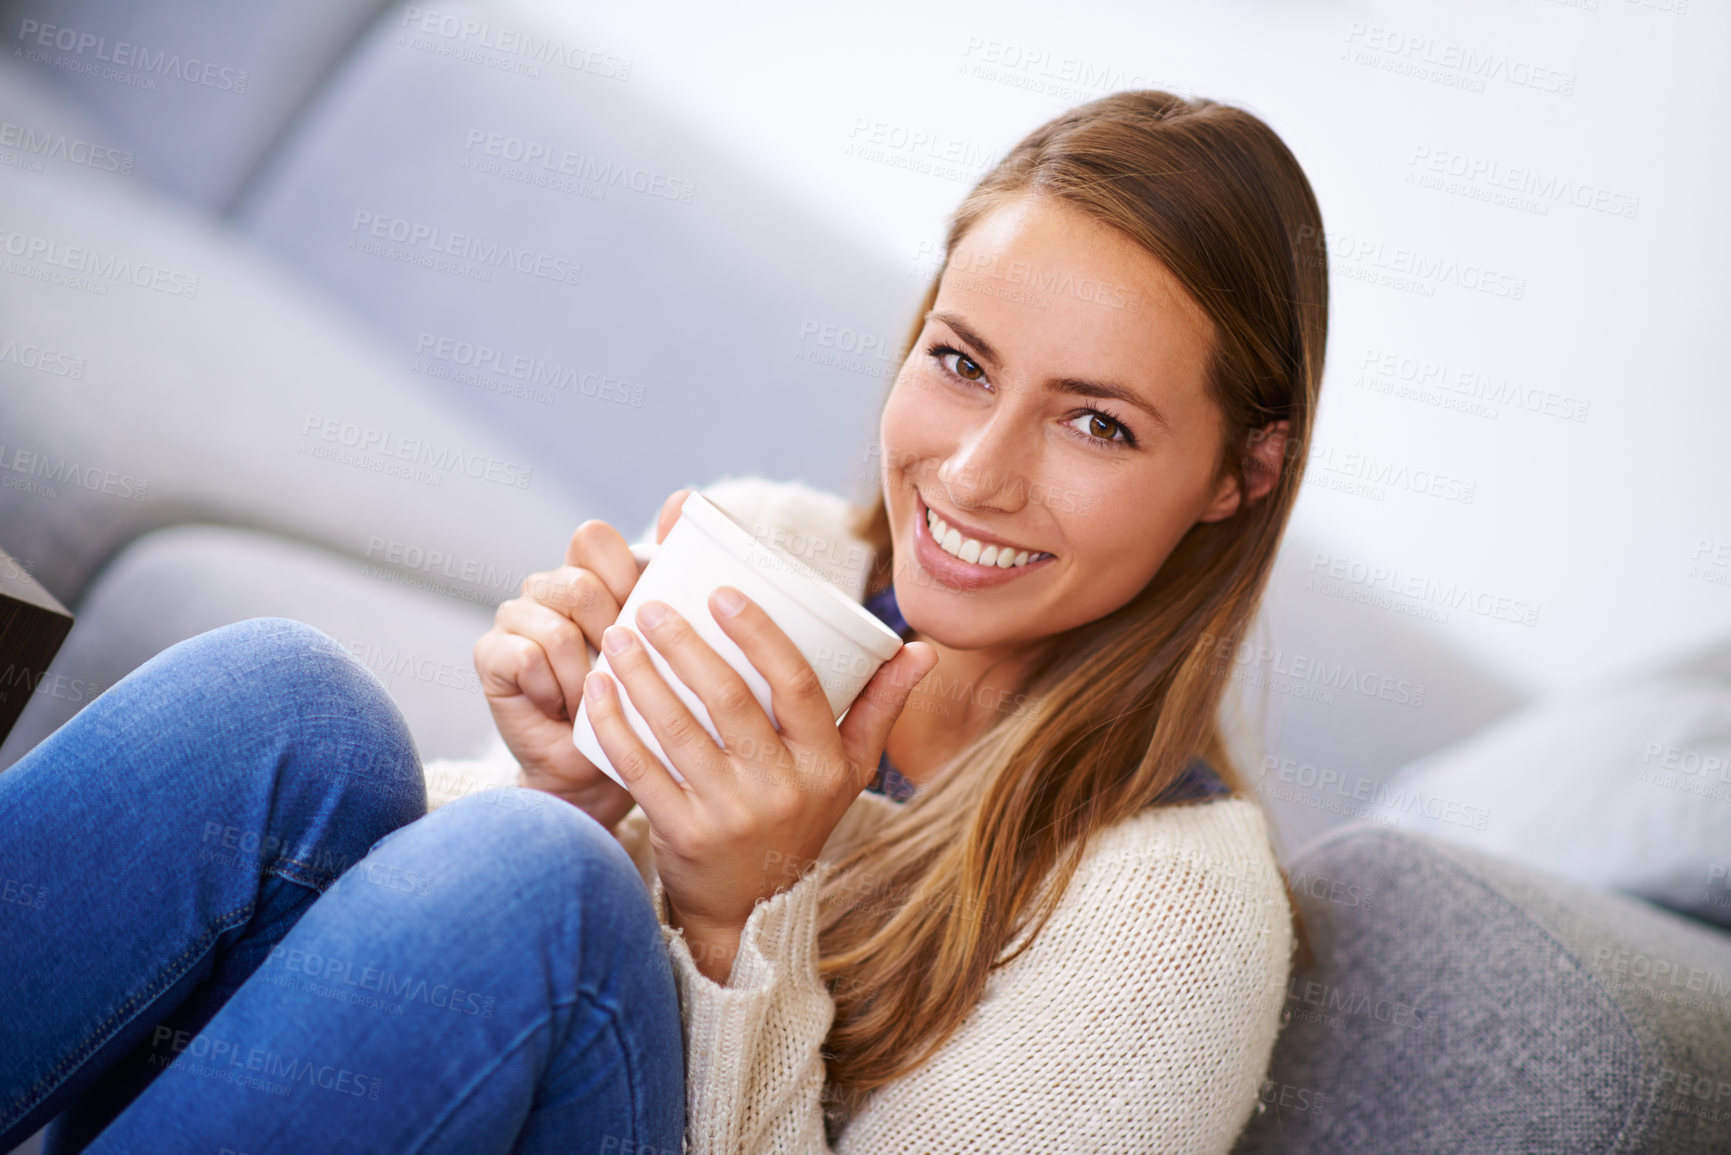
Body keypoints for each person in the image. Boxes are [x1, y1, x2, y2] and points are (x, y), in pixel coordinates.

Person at [0, 88, 1326, 1153]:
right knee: (290, 710)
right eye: (961, 362)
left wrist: (738, 923)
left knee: (547, 889)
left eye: (1099, 422)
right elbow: (420, 998)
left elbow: (545, 936)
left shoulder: (1178, 918)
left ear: (1238, 474)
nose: (977, 472)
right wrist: (568, 790)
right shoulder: (777, 547)